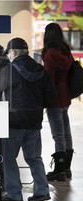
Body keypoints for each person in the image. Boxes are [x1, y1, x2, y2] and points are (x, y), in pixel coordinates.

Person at [0, 37, 57, 201]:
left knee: (8, 158)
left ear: (13, 52)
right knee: (34, 157)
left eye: (9, 53)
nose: (8, 56)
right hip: (34, 122)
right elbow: (51, 97)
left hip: (13, 121)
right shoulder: (40, 70)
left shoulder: (8, 70)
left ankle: (14, 194)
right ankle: (42, 191)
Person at [41, 22, 74, 181]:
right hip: (65, 95)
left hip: (54, 97)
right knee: (66, 133)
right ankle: (67, 168)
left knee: (58, 135)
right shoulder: (66, 51)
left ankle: (59, 170)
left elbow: (48, 78)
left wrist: (45, 97)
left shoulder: (50, 53)